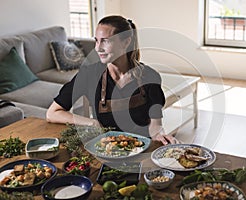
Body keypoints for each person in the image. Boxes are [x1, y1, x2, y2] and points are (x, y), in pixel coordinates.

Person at [46, 15, 178, 145]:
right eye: (97, 41)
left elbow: (155, 125)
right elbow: (52, 113)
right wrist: (91, 122)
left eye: (105, 41)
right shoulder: (89, 75)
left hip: (140, 148)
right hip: (106, 149)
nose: (98, 48)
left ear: (126, 42)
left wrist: (159, 135)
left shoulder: (149, 76)